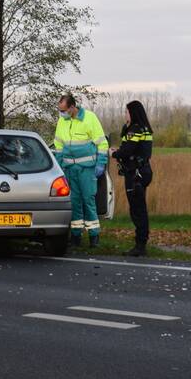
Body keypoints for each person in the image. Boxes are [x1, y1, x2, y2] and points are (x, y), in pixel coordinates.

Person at [53, 94, 109, 247]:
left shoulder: (89, 118)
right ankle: (76, 236)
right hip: (70, 169)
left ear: (72, 107)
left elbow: (102, 144)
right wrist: (59, 168)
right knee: (75, 202)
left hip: (87, 169)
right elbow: (58, 147)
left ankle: (94, 236)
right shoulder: (62, 122)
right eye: (60, 110)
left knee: (88, 201)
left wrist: (101, 164)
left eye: (63, 110)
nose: (61, 113)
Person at [111, 101, 154, 257]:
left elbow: (128, 150)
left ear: (133, 113)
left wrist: (114, 154)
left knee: (137, 210)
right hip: (143, 171)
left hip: (136, 174)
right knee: (138, 208)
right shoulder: (143, 128)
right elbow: (133, 148)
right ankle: (141, 243)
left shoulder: (135, 129)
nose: (125, 114)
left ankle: (140, 246)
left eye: (127, 112)